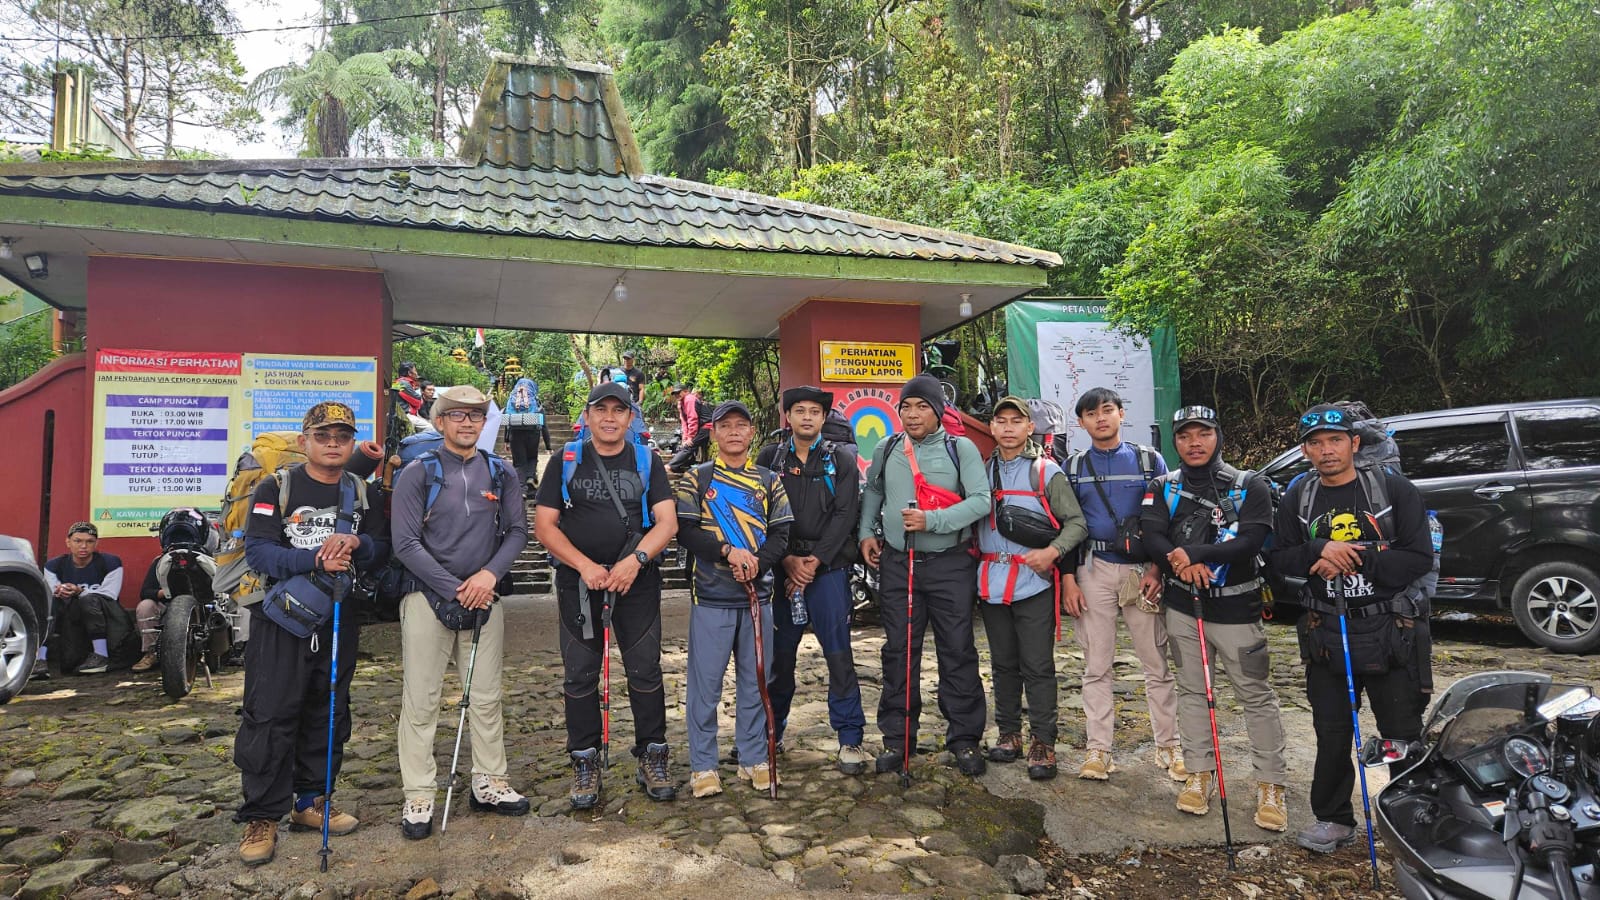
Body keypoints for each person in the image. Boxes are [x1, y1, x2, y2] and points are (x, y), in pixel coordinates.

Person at [1271, 403, 1433, 854]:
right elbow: (1278, 557)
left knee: (1401, 731)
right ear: (1305, 450)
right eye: (1316, 443)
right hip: (1326, 629)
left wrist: (1354, 557)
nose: (1327, 451)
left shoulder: (1394, 491)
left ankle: (1413, 817)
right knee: (1333, 731)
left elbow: (1420, 557)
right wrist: (1319, 550)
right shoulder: (1298, 497)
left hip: (1390, 627)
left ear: (1355, 444)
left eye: (1335, 440)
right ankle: (1334, 819)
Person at [234, 401, 389, 866]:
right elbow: (259, 553)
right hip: (281, 619)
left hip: (338, 615)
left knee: (328, 710)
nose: (333, 443)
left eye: (342, 436)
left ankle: (311, 801)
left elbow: (382, 550)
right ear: (305, 442)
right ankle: (262, 813)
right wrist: (313, 559)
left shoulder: (364, 492)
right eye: (323, 436)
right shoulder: (275, 487)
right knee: (270, 713)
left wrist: (359, 543)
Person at [1139, 406, 1288, 833]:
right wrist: (1180, 565)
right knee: (1191, 692)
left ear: (1218, 436)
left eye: (1203, 433)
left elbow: (1252, 540)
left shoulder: (1249, 485)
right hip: (1184, 607)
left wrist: (1198, 555)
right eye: (1184, 435)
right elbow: (1153, 535)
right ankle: (1200, 773)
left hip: (1237, 608)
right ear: (1175, 441)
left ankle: (1271, 783)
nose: (1194, 442)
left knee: (1255, 694)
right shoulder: (1161, 487)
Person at [392, 385, 531, 840]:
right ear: (440, 421)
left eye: (475, 415)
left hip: (484, 597)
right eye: (457, 415)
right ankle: (418, 794)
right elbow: (405, 543)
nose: (466, 423)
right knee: (422, 699)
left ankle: (490, 781)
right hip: (427, 597)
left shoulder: (502, 472)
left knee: (487, 696)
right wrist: (453, 588)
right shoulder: (418, 472)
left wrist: (488, 577)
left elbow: (515, 532)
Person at [534, 382, 679, 809]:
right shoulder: (566, 460)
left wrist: (634, 560)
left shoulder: (646, 460)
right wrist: (585, 566)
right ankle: (585, 759)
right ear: (588, 416)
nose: (610, 417)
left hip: (637, 582)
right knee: (580, 673)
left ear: (630, 418)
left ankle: (652, 753)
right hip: (579, 585)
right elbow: (544, 527)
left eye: (619, 410)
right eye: (602, 410)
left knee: (645, 670)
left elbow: (666, 523)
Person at [859, 374, 992, 777]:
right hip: (900, 563)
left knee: (957, 649)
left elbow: (981, 501)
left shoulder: (960, 448)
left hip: (950, 564)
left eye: (922, 407)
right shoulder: (888, 447)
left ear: (938, 411)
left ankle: (965, 738)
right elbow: (874, 492)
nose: (913, 414)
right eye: (906, 407)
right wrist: (866, 532)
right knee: (899, 650)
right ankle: (898, 739)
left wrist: (932, 520)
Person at [1061, 387, 1184, 783]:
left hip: (1142, 571)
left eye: (1108, 410)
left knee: (1156, 664)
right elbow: (1065, 524)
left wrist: (1158, 568)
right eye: (1092, 413)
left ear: (1121, 414)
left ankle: (1170, 746)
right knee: (1096, 665)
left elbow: (1167, 519)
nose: (1101, 418)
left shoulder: (1149, 460)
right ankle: (1099, 750)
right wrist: (1068, 579)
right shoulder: (1074, 466)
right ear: (1080, 422)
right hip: (1092, 568)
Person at [676, 401, 793, 797]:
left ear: (751, 433)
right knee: (705, 687)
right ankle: (703, 766)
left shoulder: (769, 480)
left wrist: (759, 562)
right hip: (711, 595)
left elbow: (781, 534)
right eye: (725, 426)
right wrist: (727, 552)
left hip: (759, 597)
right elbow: (686, 532)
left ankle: (753, 757)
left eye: (741, 426)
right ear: (713, 433)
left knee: (757, 682)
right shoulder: (696, 477)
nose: (734, 433)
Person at [754, 386, 870, 774]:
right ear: (787, 417)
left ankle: (850, 737)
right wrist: (787, 560)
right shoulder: (771, 458)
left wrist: (813, 563)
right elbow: (761, 512)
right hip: (781, 568)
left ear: (824, 419)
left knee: (838, 655)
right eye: (798, 410)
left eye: (814, 412)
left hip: (829, 570)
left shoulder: (841, 460)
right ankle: (772, 731)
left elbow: (845, 515)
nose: (806, 417)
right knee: (779, 659)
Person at [977, 396, 1087, 780]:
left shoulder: (1046, 472)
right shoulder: (980, 472)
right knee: (1003, 663)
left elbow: (1076, 522)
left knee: (1038, 665)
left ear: (1029, 428)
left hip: (1034, 582)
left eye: (1016, 421)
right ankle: (1009, 734)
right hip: (991, 583)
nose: (1007, 428)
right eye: (1000, 420)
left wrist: (1053, 552)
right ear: (991, 428)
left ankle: (1043, 740)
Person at [41, 522, 131, 675]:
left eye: (89, 541)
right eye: (78, 541)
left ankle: (101, 655)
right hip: (72, 619)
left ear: (96, 543)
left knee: (88, 599)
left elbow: (110, 594)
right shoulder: (54, 565)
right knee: (48, 604)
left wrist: (79, 591)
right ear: (68, 542)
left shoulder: (111, 563)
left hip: (105, 616)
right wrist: (62, 592)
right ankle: (39, 660)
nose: (83, 546)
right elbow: (52, 591)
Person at [505, 376, 545, 489]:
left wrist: (506, 440)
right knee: (532, 457)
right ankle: (530, 478)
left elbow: (507, 420)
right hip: (533, 432)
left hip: (515, 432)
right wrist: (548, 446)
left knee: (519, 462)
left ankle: (521, 489)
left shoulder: (512, 397)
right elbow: (543, 423)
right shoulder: (535, 399)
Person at [667, 384, 711, 474]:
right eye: (675, 393)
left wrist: (690, 437)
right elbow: (684, 422)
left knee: (689, 445)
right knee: (684, 445)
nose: (676, 395)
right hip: (699, 427)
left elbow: (692, 419)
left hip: (706, 426)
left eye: (678, 392)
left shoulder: (689, 399)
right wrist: (685, 438)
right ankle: (681, 466)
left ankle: (670, 466)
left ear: (685, 391)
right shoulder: (681, 403)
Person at [131, 557, 165, 673]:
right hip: (166, 605)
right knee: (145, 606)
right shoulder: (160, 561)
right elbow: (145, 592)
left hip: (196, 606)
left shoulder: (205, 558)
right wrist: (163, 593)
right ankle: (151, 653)